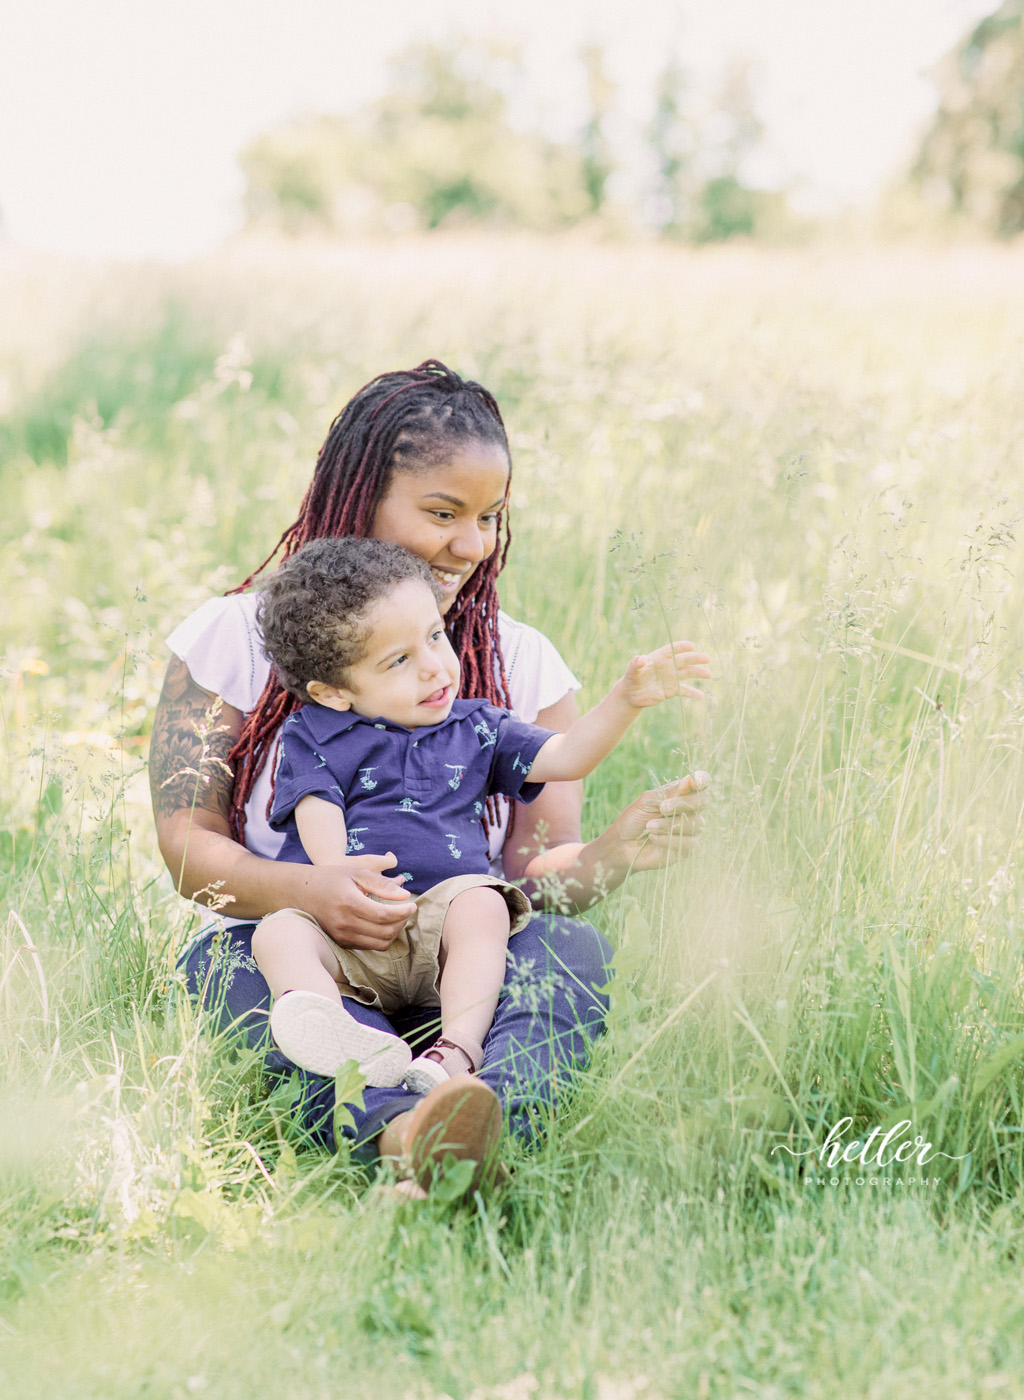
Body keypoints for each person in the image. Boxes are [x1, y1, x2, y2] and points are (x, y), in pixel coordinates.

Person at [149, 359, 711, 1195]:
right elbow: (188, 848)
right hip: (319, 958)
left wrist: (611, 857)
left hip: (461, 956)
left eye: (490, 516)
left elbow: (533, 875)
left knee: (569, 951)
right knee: (223, 969)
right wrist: (312, 895)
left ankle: (475, 1110)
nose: (472, 545)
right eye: (443, 513)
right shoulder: (230, 639)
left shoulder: (522, 664)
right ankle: (404, 1131)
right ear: (357, 497)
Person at [251, 536, 711, 1102]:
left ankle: (455, 1051)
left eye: (435, 638)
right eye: (399, 660)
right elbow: (316, 808)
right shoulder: (315, 732)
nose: (434, 668)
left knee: (483, 902)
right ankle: (332, 1025)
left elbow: (567, 756)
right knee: (278, 932)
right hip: (346, 928)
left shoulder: (479, 728)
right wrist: (338, 875)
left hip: (440, 926)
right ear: (335, 692)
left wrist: (625, 700)